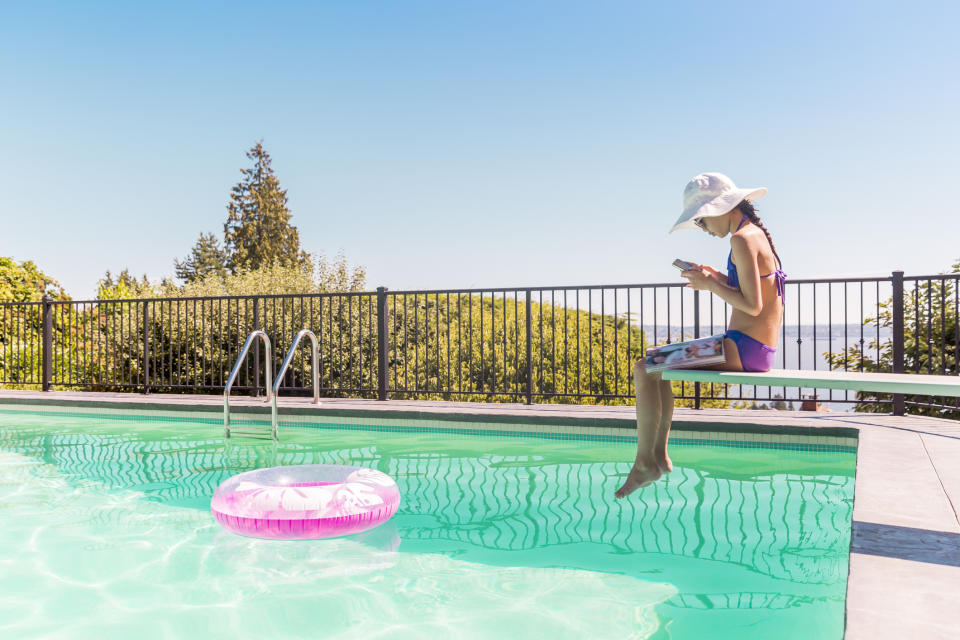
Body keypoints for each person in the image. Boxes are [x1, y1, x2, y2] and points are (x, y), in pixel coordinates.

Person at [615, 173, 786, 499]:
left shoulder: (742, 240)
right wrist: (714, 274)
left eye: (703, 221)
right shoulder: (755, 234)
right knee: (656, 367)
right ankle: (659, 457)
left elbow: (752, 305)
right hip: (753, 347)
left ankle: (644, 464)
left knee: (643, 367)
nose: (705, 229)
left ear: (720, 207)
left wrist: (710, 286)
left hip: (742, 347)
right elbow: (753, 288)